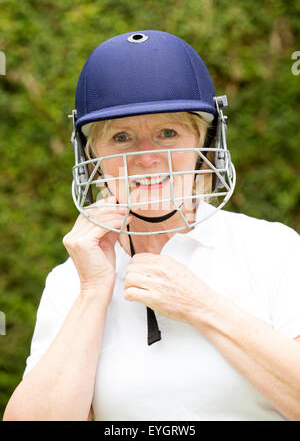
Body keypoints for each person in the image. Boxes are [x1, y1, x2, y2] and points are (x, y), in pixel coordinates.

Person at [3, 30, 300, 422]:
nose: (146, 158)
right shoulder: (69, 281)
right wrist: (94, 291)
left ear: (204, 143)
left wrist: (201, 306)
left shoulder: (272, 248)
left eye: (168, 133)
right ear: (92, 155)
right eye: (121, 137)